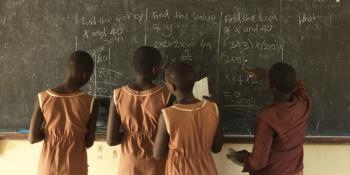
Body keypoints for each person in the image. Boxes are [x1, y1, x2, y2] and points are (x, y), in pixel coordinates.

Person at [227, 62, 310, 175]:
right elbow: (298, 83)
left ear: (272, 85)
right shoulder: (302, 102)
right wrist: (269, 75)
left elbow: (257, 163)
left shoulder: (268, 117)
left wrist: (244, 157)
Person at [29, 51, 99, 175]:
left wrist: (51, 133)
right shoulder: (91, 102)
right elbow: (88, 142)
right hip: (75, 165)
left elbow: (33, 137)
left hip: (48, 165)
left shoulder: (43, 97)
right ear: (85, 75)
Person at [107, 46, 172, 175]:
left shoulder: (118, 95)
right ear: (155, 69)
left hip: (129, 165)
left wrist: (131, 135)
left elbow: (111, 140)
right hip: (156, 164)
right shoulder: (167, 95)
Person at [153, 62, 223, 175]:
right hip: (207, 170)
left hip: (179, 170)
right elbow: (217, 148)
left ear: (172, 86)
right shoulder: (213, 107)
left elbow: (157, 154)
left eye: (165, 82)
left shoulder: (167, 114)